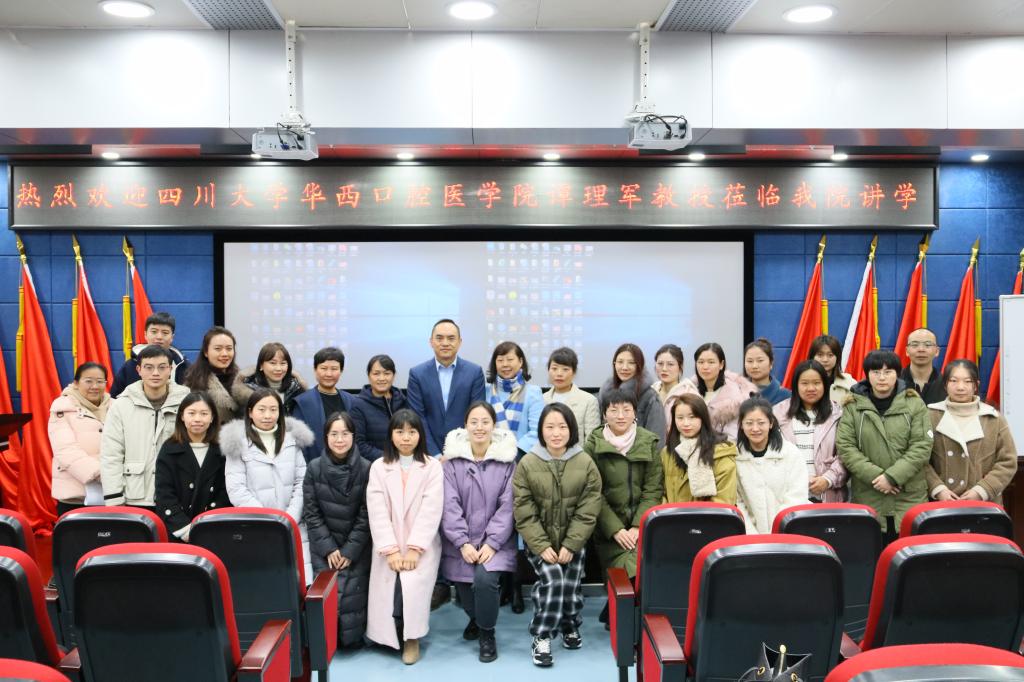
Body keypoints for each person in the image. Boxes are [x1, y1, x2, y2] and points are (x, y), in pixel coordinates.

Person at [513, 403, 602, 668]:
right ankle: (541, 635)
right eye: (549, 427)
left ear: (571, 429)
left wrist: (571, 544)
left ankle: (569, 624)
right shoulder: (527, 463)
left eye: (562, 427)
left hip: (574, 542)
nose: (556, 433)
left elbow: (589, 508)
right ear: (541, 430)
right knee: (553, 582)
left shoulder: (585, 462)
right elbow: (523, 510)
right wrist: (541, 546)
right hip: (539, 543)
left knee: (571, 586)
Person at [365, 409, 444, 665]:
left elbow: (432, 510)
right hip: (388, 544)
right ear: (391, 435)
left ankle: (412, 638)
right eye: (400, 432)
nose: (406, 437)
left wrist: (415, 548)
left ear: (420, 435)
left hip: (421, 545)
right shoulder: (379, 467)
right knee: (391, 589)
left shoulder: (432, 467)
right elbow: (377, 511)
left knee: (412, 589)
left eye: (412, 432)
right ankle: (391, 634)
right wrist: (390, 549)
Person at [440, 402, 517, 663]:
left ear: (494, 425)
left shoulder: (507, 462)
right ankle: (476, 617)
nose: (479, 427)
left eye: (485, 421)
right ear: (465, 425)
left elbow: (508, 506)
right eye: (474, 422)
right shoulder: (451, 464)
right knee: (464, 589)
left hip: (496, 543)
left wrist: (492, 542)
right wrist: (462, 542)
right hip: (460, 542)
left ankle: (487, 633)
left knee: (484, 581)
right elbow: (448, 504)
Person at [585, 388, 663, 628]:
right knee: (627, 572)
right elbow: (593, 492)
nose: (620, 415)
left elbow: (653, 489)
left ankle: (618, 612)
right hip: (608, 530)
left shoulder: (648, 442)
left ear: (635, 413)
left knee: (641, 572)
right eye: (614, 410)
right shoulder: (593, 445)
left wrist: (638, 527)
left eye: (626, 410)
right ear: (604, 414)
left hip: (641, 528)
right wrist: (616, 530)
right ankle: (621, 615)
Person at [836, 350, 933, 542]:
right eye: (876, 372)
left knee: (910, 553)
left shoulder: (914, 404)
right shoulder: (853, 406)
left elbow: (922, 446)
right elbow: (846, 447)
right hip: (869, 495)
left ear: (898, 374)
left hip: (908, 497)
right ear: (867, 374)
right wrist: (878, 477)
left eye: (888, 372)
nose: (882, 377)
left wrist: (892, 477)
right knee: (871, 555)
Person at [220, 389, 315, 578]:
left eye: (273, 409)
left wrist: (290, 518)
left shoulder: (291, 440)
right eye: (261, 409)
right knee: (265, 582)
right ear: (250, 412)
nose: (267, 415)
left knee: (298, 581)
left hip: (294, 525)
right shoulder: (238, 443)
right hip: (256, 527)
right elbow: (236, 489)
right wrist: (269, 520)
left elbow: (302, 482)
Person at [303, 411, 372, 649]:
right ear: (326, 437)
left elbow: (367, 515)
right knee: (328, 591)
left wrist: (349, 551)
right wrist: (329, 548)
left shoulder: (366, 468)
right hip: (325, 546)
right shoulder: (314, 468)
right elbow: (312, 513)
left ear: (353, 436)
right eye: (334, 434)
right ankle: (329, 639)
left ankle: (350, 638)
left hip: (357, 546)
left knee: (353, 591)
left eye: (345, 433)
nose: (340, 439)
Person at [100, 346, 190, 510]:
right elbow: (111, 455)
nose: (155, 373)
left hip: (177, 497)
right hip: (134, 498)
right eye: (148, 367)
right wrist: (114, 499)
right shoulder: (121, 405)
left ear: (170, 370)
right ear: (139, 370)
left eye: (162, 367)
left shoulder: (187, 403)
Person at [926, 360, 1018, 505]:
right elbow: (920, 459)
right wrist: (938, 489)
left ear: (976, 385)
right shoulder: (930, 415)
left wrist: (982, 490)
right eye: (953, 381)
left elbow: (1008, 461)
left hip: (984, 503)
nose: (960, 387)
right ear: (945, 385)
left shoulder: (993, 418)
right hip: (940, 503)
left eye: (967, 381)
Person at [154, 391, 230, 540]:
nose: (197, 419)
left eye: (204, 414)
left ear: (212, 417)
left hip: (211, 529)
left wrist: (206, 527)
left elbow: (224, 492)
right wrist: (185, 530)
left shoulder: (221, 451)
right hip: (177, 531)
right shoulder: (169, 449)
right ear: (182, 416)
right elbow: (164, 493)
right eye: (192, 413)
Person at [407, 319, 486, 457]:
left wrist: (457, 452)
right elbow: (418, 418)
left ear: (459, 342)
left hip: (465, 452)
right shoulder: (417, 374)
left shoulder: (474, 372)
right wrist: (435, 455)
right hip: (427, 453)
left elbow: (476, 416)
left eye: (451, 338)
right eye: (439, 338)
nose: (445, 343)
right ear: (431, 342)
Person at [774, 360, 848, 503]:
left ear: (825, 384)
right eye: (804, 383)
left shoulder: (838, 414)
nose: (811, 388)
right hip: (788, 496)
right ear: (796, 385)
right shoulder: (778, 413)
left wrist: (827, 479)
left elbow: (846, 454)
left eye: (816, 383)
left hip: (828, 496)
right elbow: (772, 454)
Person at [734, 397, 809, 534]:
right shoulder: (735, 457)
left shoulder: (790, 453)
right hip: (750, 537)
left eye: (761, 423)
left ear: (771, 423)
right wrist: (751, 535)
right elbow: (737, 502)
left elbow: (797, 496)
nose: (755, 428)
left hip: (787, 532)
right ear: (741, 425)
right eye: (749, 423)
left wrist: (778, 530)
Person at [49, 362, 111, 516]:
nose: (94, 386)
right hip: (75, 494)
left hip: (112, 493)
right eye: (88, 381)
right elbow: (66, 450)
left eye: (100, 381)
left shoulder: (116, 407)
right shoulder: (61, 408)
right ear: (76, 383)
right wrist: (101, 474)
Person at [667, 342, 756, 440]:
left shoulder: (735, 398)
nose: (705, 367)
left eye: (711, 362)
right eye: (701, 362)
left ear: (721, 364)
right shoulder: (688, 390)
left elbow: (733, 436)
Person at [662, 393, 738, 505]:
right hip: (671, 515)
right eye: (680, 418)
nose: (686, 423)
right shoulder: (668, 452)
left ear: (703, 418)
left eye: (692, 417)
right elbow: (661, 492)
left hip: (709, 515)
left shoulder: (721, 453)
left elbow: (724, 500)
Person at [292, 347, 353, 463]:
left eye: (334, 369)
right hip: (315, 466)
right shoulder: (303, 402)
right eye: (324, 368)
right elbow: (299, 443)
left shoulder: (351, 401)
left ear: (341, 371)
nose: (329, 374)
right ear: (315, 370)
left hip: (349, 466)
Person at [599, 343, 665, 449]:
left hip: (639, 456)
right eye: (620, 362)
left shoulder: (650, 398)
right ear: (614, 364)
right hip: (606, 453)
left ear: (639, 366)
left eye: (631, 363)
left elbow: (657, 440)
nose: (624, 367)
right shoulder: (606, 393)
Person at [110, 311, 191, 398]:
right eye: (154, 332)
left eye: (165, 333)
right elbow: (115, 398)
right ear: (145, 334)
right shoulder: (130, 366)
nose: (159, 337)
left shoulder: (183, 366)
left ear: (172, 337)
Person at [184, 326, 250, 425]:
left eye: (229, 348)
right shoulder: (193, 383)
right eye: (218, 349)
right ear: (206, 352)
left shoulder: (243, 380)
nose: (224, 354)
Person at [486, 341, 544, 454]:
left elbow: (537, 432)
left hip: (520, 456)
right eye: (500, 360)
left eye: (510, 359)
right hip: (487, 456)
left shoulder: (533, 392)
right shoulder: (485, 391)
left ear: (520, 361)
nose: (505, 364)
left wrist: (513, 454)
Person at [350, 354, 409, 462]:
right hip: (375, 466)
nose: (381, 378)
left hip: (406, 463)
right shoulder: (358, 405)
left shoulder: (404, 402)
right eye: (376, 374)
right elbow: (358, 444)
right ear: (369, 376)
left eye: (387, 373)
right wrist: (389, 458)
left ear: (394, 375)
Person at [542, 347, 600, 438]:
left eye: (565, 369)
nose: (559, 374)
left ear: (574, 372)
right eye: (554, 368)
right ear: (548, 370)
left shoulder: (589, 401)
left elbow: (592, 440)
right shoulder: (541, 399)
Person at [240, 342, 307, 415]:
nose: (278, 368)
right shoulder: (247, 392)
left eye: (283, 363)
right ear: (261, 365)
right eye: (273, 363)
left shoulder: (297, 390)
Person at [900, 328, 947, 405]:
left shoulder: (946, 384)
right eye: (915, 345)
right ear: (907, 351)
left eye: (927, 345)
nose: (921, 349)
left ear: (937, 351)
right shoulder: (895, 382)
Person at [808, 335, 857, 404]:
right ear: (812, 357)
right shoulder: (803, 381)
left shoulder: (849, 383)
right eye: (820, 355)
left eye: (830, 355)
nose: (825, 360)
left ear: (837, 358)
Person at [744, 338, 791, 405]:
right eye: (750, 361)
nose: (754, 366)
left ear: (771, 363)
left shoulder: (786, 397)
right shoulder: (737, 394)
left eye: (760, 360)